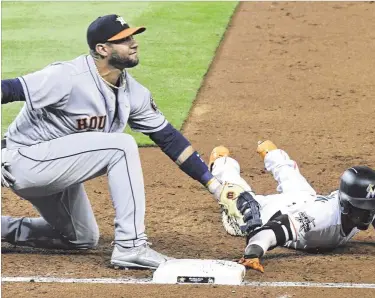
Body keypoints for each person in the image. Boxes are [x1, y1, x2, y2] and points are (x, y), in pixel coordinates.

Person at [0, 14, 223, 270]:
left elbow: (169, 139)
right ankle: (131, 246)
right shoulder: (67, 76)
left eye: (132, 36)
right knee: (121, 146)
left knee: (81, 237)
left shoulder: (132, 92)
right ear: (102, 49)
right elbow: (9, 89)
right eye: (124, 39)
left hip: (57, 168)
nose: (133, 43)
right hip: (23, 162)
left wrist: (214, 185)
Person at [208, 140, 375, 273]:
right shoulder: (319, 220)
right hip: (275, 210)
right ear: (346, 205)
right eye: (364, 209)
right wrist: (253, 253)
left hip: (307, 199)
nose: (369, 214)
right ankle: (221, 160)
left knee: (290, 175)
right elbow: (272, 231)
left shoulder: (356, 205)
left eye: (370, 208)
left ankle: (270, 151)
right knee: (239, 197)